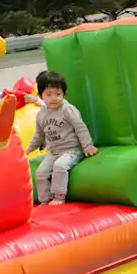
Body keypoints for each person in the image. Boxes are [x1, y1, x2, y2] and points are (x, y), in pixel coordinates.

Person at [25, 71, 97, 206]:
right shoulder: (41, 114)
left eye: (58, 94)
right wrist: (28, 149)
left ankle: (59, 197)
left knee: (60, 166)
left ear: (64, 93)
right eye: (49, 95)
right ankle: (45, 199)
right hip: (54, 152)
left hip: (72, 150)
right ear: (40, 96)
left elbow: (80, 127)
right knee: (40, 173)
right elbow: (39, 135)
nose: (54, 98)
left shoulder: (67, 110)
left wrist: (87, 146)